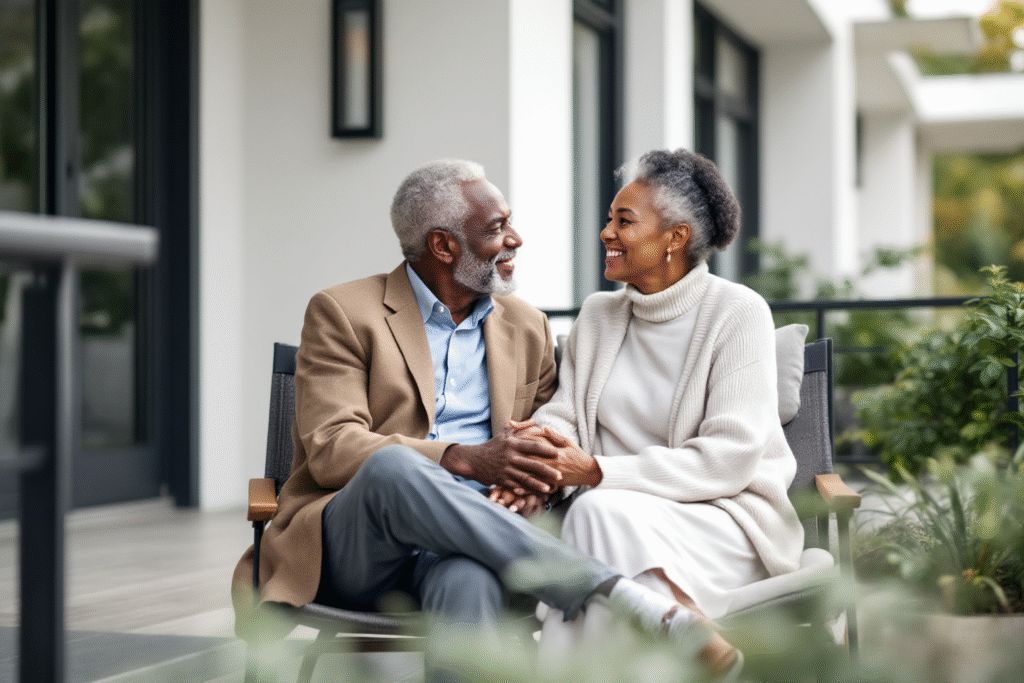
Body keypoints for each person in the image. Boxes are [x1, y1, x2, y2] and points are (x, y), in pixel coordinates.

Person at [231, 159, 743, 681]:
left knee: (468, 581)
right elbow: (333, 447)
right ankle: (617, 591)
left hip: (471, 541)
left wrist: (536, 487)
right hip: (361, 546)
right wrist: (464, 460)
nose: (515, 239)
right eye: (497, 228)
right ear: (443, 246)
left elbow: (546, 434)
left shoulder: (526, 326)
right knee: (393, 470)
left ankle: (620, 597)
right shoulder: (344, 312)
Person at [490, 148, 804, 660]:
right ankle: (680, 624)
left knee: (592, 518)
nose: (605, 233)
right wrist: (534, 459)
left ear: (674, 238)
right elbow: (566, 413)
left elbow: (727, 459)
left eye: (624, 221)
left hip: (721, 523)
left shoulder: (738, 313)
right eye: (609, 219)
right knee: (595, 520)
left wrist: (594, 472)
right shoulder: (599, 315)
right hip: (615, 518)